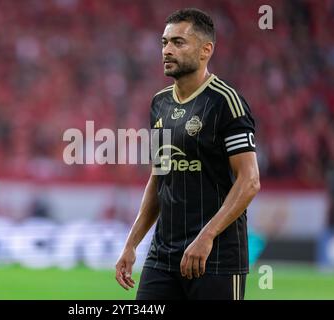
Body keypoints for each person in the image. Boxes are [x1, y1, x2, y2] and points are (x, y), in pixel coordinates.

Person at [115, 8, 260, 300]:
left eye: (178, 42)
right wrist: (131, 244)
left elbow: (250, 181)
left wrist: (206, 237)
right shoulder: (160, 103)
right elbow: (159, 179)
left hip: (215, 258)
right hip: (163, 258)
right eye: (164, 42)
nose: (167, 50)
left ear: (206, 50)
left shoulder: (226, 103)